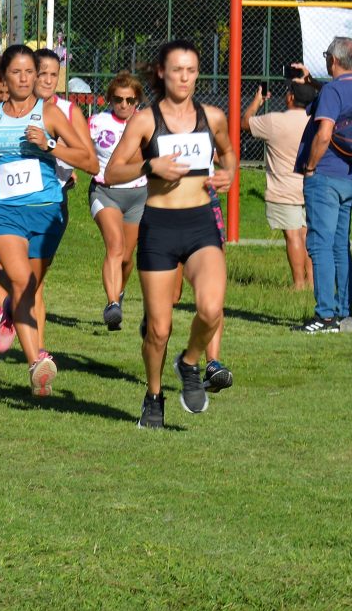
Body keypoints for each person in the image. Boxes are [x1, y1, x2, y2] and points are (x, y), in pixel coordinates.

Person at [103, 40, 236, 427]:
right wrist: (150, 165)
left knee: (211, 308)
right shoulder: (145, 120)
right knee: (158, 329)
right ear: (162, 72)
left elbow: (227, 153)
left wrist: (227, 174)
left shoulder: (212, 116)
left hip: (200, 224)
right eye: (177, 69)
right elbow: (112, 173)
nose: (184, 77)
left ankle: (190, 363)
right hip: (159, 228)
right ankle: (154, 395)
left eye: (191, 70)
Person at [0, 45, 97, 398]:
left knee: (29, 287)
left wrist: (50, 146)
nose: (22, 79)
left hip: (47, 211)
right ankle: (37, 362)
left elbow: (89, 162)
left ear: (37, 76)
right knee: (21, 281)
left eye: (29, 73)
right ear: (4, 76)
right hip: (4, 212)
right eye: (15, 73)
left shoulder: (50, 115)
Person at [292, 37, 352, 333]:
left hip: (326, 176)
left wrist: (310, 167)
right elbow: (339, 99)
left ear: (333, 60)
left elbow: (324, 133)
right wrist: (311, 80)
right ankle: (342, 311)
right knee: (340, 245)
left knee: (319, 244)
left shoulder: (333, 90)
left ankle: (324, 315)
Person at [244, 78, 317, 289]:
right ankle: (312, 283)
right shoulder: (316, 120)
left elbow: (244, 122)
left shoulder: (274, 120)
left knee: (293, 235)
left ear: (291, 97)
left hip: (284, 189)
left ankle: (299, 283)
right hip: (311, 186)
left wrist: (257, 102)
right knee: (307, 234)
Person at [88, 73, 148, 329]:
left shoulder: (147, 123)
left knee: (126, 257)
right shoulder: (96, 122)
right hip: (105, 191)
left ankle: (119, 294)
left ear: (138, 101)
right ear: (110, 99)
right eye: (118, 99)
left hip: (138, 195)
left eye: (130, 100)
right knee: (115, 247)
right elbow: (77, 146)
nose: (124, 105)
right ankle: (112, 304)